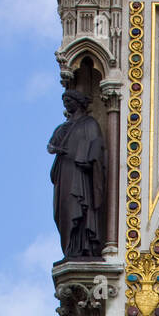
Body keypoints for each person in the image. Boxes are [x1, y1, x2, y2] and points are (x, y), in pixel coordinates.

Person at [47, 89, 105, 259]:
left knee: (78, 207)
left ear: (78, 103)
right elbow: (51, 145)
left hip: (81, 175)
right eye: (64, 101)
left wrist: (87, 161)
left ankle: (84, 246)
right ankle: (71, 248)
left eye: (69, 100)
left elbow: (97, 146)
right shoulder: (63, 127)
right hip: (65, 174)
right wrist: (54, 147)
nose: (66, 104)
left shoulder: (89, 124)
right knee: (64, 210)